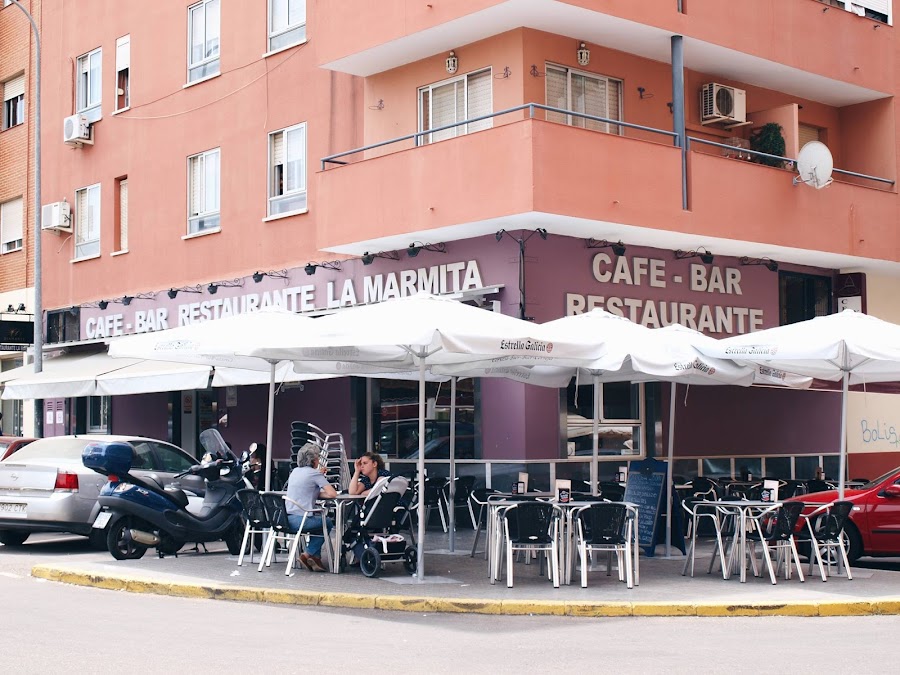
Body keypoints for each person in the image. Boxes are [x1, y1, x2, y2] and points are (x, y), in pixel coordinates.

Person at [285, 443, 336, 572]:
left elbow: (306, 490)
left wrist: (318, 478)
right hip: (300, 520)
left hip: (285, 519)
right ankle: (307, 555)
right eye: (318, 458)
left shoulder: (295, 471)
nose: (319, 460)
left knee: (318, 524)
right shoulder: (314, 474)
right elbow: (332, 494)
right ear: (313, 460)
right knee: (327, 522)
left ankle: (316, 559)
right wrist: (320, 477)